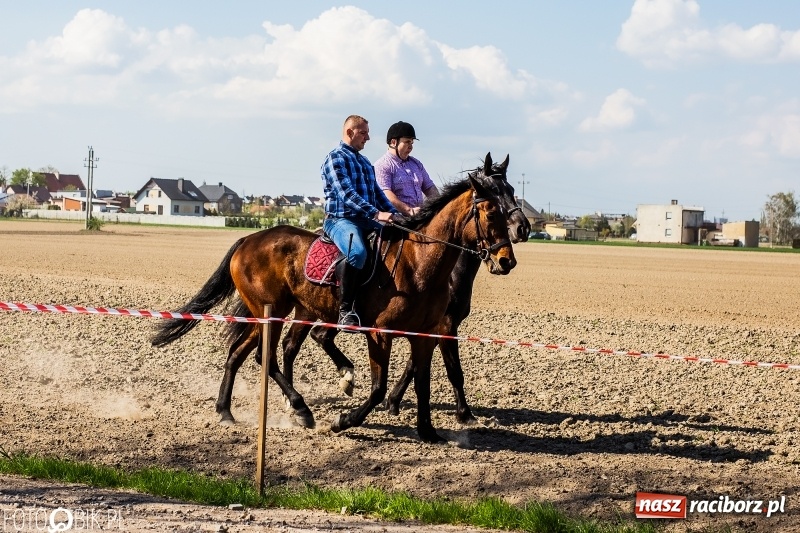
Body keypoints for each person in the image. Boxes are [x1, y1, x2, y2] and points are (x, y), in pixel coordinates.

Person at [321, 115, 401, 329]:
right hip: (340, 220)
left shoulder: (365, 162)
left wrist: (395, 215)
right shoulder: (335, 158)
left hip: (366, 219)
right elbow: (346, 194)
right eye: (363, 133)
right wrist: (376, 214)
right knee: (357, 253)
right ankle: (346, 310)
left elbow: (378, 194)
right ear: (350, 132)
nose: (368, 137)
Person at [373, 121, 439, 216]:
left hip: (418, 218)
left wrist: (439, 206)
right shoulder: (382, 165)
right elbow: (386, 194)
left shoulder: (416, 164)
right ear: (394, 142)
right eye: (407, 142)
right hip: (395, 220)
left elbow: (429, 188)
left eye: (412, 143)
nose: (411, 147)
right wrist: (409, 211)